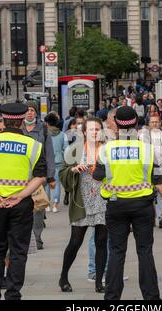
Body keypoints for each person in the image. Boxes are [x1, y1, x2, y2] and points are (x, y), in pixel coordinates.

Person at [93, 106, 162, 300]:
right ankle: (151, 298)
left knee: (116, 252)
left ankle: (112, 297)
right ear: (137, 123)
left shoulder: (106, 149)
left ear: (116, 125)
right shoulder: (146, 149)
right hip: (143, 206)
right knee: (145, 251)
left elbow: (97, 175)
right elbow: (157, 178)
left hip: (116, 205)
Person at [0, 103, 47, 300]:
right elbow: (40, 176)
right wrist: (21, 195)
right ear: (22, 120)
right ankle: (13, 295)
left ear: (3, 120)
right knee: (18, 253)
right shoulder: (34, 145)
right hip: (21, 205)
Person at [59, 117, 108, 293]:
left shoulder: (107, 149)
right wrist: (73, 169)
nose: (95, 132)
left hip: (103, 199)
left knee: (101, 241)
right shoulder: (76, 150)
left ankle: (99, 282)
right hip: (82, 200)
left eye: (98, 129)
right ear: (85, 132)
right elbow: (62, 172)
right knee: (75, 241)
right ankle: (63, 276)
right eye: (91, 129)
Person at [22, 103, 56, 250]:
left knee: (38, 207)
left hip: (38, 175)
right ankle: (24, 236)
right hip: (21, 175)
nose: (29, 113)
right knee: (22, 208)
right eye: (27, 110)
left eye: (32, 110)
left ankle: (36, 237)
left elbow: (49, 152)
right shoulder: (18, 129)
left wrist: (50, 176)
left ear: (36, 113)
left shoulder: (42, 128)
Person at [140, 114, 162, 229]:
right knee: (150, 194)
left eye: (156, 122)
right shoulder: (145, 135)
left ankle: (160, 218)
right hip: (151, 169)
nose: (155, 124)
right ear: (149, 123)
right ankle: (151, 217)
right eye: (152, 122)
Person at [44, 113, 68, 213]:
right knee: (57, 183)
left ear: (47, 123)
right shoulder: (63, 134)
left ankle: (47, 205)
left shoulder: (45, 134)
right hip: (59, 161)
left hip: (46, 161)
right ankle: (55, 205)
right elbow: (66, 149)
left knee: (46, 184)